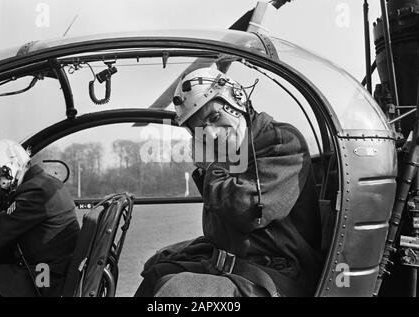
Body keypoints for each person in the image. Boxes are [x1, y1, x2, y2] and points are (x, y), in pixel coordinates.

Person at [135, 66, 324, 297]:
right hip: (241, 265)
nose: (211, 134)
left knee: (178, 292)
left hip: (279, 275)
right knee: (156, 272)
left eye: (214, 117)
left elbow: (246, 212)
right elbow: (219, 229)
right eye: (200, 129)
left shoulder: (281, 142)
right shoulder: (232, 154)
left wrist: (212, 166)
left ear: (237, 101)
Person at [0, 139, 80, 297]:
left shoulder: (37, 192)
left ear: (8, 169)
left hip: (43, 282)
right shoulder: (43, 185)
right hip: (47, 273)